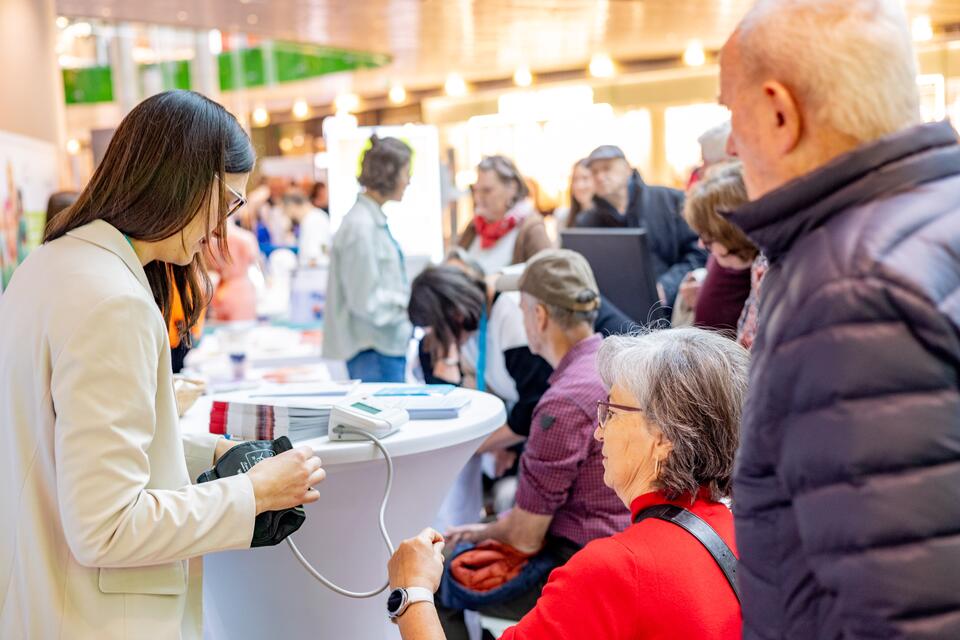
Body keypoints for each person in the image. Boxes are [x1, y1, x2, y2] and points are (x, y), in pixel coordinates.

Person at [0, 90, 325, 639]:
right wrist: (254, 494)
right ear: (181, 182)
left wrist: (209, 451)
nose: (223, 226)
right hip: (100, 619)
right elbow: (106, 526)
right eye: (228, 204)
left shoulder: (50, 265)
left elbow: (66, 445)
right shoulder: (113, 301)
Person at [719, 1, 960, 637]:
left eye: (729, 112)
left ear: (778, 112)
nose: (728, 144)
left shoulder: (847, 292)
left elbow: (904, 613)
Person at [387, 328, 748, 639]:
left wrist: (412, 591)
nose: (599, 431)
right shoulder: (748, 533)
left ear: (663, 435)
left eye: (612, 412)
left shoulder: (614, 570)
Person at [436, 249, 630, 638]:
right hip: (621, 540)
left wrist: (472, 532)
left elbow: (525, 537)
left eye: (523, 309)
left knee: (430, 576)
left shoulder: (561, 403)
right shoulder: (620, 365)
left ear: (538, 317)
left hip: (578, 560)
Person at [409, 265, 553, 529]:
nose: (432, 339)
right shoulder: (473, 325)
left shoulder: (509, 316)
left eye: (434, 330)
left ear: (452, 314)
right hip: (515, 434)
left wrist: (486, 444)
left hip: (540, 436)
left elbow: (536, 406)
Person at [323, 135, 413, 382]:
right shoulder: (361, 227)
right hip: (374, 350)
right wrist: (407, 305)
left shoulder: (368, 221)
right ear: (390, 174)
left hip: (380, 348)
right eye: (406, 172)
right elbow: (365, 302)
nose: (409, 180)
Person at [574, 144, 706, 307]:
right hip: (618, 311)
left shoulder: (670, 201)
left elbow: (699, 252)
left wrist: (667, 286)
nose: (600, 176)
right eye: (594, 172)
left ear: (627, 169)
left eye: (607, 168)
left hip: (673, 308)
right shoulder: (586, 222)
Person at [682, 162, 761, 337]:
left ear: (734, 234)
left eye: (709, 238)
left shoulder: (765, 268)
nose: (702, 245)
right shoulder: (731, 255)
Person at [457, 156, 551, 274]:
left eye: (487, 190)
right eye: (475, 190)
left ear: (512, 188)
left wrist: (504, 276)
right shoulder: (475, 225)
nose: (478, 197)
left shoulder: (531, 228)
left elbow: (548, 273)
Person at [284, 189, 332, 266]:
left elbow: (313, 258)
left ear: (291, 207)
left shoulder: (313, 220)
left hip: (314, 274)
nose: (287, 215)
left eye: (286, 211)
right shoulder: (314, 217)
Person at [553, 159, 594, 229]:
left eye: (585, 178)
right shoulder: (562, 217)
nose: (579, 186)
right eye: (575, 179)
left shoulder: (609, 218)